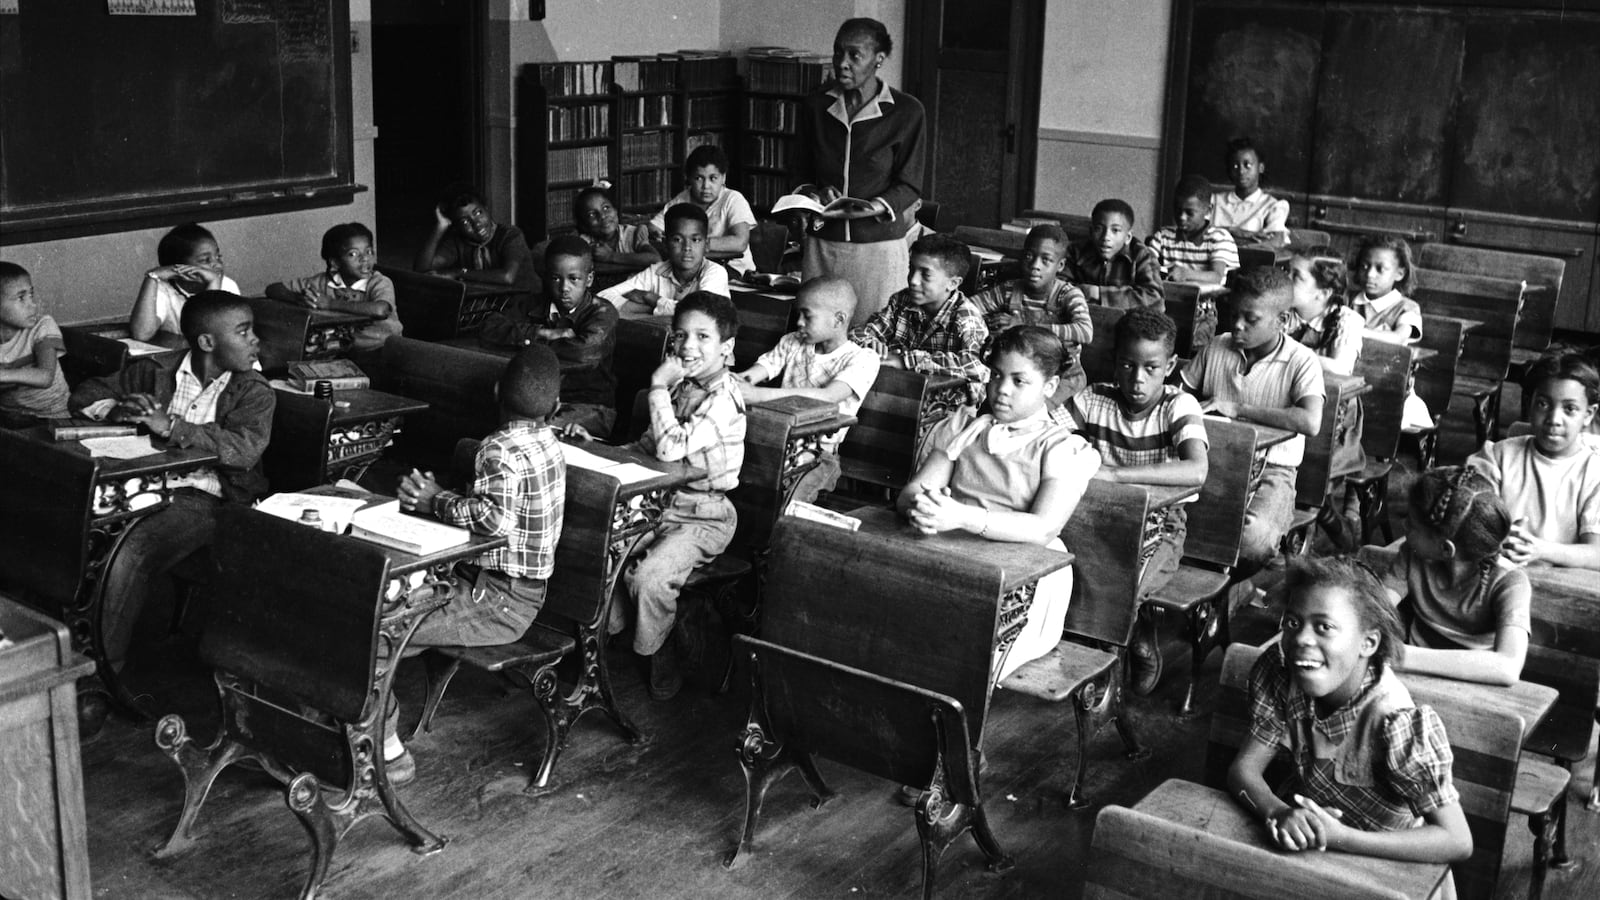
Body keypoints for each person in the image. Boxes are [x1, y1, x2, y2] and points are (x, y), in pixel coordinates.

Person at [68, 292, 274, 736]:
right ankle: (62, 662)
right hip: (141, 488)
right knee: (75, 533)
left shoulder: (253, 391)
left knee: (132, 550)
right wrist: (117, 408)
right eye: (244, 331)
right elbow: (86, 394)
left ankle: (100, 677)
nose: (256, 340)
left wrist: (171, 427)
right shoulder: (156, 369)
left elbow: (243, 451)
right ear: (205, 342)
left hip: (210, 502)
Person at [390, 345, 567, 782]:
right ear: (557, 408)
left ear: (495, 392)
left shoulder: (497, 448)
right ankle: (355, 711)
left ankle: (384, 745)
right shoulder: (549, 441)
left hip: (500, 601)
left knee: (383, 631)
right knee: (392, 633)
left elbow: (494, 521)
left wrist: (436, 499)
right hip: (506, 590)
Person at [1228, 557, 1473, 870]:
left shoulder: (1396, 721)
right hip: (1316, 858)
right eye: (1292, 623)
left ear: (1368, 642)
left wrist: (1340, 837)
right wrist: (1277, 812)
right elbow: (1243, 770)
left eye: (1324, 627)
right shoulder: (1280, 676)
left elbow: (1457, 840)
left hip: (1390, 869)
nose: (1301, 638)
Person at [898, 325, 1099, 683]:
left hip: (1023, 569)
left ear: (1049, 388)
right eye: (996, 376)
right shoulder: (965, 427)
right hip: (953, 547)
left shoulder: (1061, 447)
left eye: (1020, 381)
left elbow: (1043, 527)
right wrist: (924, 506)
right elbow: (913, 491)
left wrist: (960, 515)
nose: (1001, 390)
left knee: (951, 660)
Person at [607, 292, 745, 701]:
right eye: (681, 335)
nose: (688, 347)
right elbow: (650, 444)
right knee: (605, 552)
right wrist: (601, 449)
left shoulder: (724, 399)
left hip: (706, 516)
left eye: (703, 337)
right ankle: (606, 638)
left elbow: (670, 449)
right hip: (660, 506)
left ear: (728, 349)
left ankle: (658, 649)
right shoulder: (684, 387)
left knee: (649, 577)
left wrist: (656, 386)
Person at [1068, 307, 1210, 694]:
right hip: (1096, 519)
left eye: (1150, 367)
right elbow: (1048, 437)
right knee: (1071, 577)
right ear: (1115, 363)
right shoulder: (1093, 398)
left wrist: (1115, 474)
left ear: (1170, 366)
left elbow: (1196, 470)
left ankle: (1107, 678)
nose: (1137, 378)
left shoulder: (1177, 407)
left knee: (1121, 590)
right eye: (1128, 365)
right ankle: (1114, 648)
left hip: (1161, 526)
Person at [1184, 266, 1324, 567]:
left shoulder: (1302, 361)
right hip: (1212, 461)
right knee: (1183, 525)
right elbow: (1180, 393)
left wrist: (1239, 410)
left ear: (1283, 320)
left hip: (1273, 470)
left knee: (1253, 539)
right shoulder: (1217, 346)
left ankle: (1232, 589)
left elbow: (1310, 421)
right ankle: (1224, 591)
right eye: (1234, 314)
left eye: (1251, 319)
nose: (1237, 325)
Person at [792, 17, 926, 326]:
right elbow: (798, 172)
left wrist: (871, 208)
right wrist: (814, 193)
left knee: (873, 336)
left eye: (854, 55)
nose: (842, 63)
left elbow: (910, 184)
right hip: (821, 240)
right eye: (838, 53)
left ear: (879, 59)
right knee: (816, 333)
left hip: (878, 247)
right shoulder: (815, 105)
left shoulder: (907, 111)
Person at [1358, 467, 1529, 686]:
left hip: (1477, 684)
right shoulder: (1412, 554)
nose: (1404, 527)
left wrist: (1400, 655)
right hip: (1415, 677)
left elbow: (1508, 667)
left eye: (1412, 524)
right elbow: (1378, 608)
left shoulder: (1510, 583)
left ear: (1446, 550)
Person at [734, 277, 880, 504]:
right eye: (797, 315)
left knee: (785, 502)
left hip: (819, 456)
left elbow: (829, 397)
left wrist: (760, 395)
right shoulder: (793, 342)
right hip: (774, 442)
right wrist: (738, 381)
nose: (799, 322)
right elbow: (760, 370)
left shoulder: (863, 358)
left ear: (838, 319)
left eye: (807, 315)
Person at [1468, 353, 1600, 570]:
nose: (1554, 419)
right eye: (1543, 404)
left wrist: (1540, 549)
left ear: (1588, 414)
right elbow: (1471, 519)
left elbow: (1596, 554)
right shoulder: (1498, 456)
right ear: (1530, 405)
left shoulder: (1594, 472)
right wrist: (1498, 535)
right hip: (1497, 574)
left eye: (1569, 409)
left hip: (1563, 584)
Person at [479, 237, 620, 439]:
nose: (564, 288)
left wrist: (528, 345)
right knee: (488, 418)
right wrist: (542, 333)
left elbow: (582, 351)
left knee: (528, 432)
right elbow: (488, 326)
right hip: (536, 402)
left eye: (574, 279)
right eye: (556, 278)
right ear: (546, 277)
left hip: (589, 406)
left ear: (588, 279)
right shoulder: (533, 303)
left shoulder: (603, 313)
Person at [850, 233, 988, 401]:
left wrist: (907, 361)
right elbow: (858, 334)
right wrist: (870, 343)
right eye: (911, 269)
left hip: (949, 407)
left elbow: (978, 366)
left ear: (953, 283)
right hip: (900, 395)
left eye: (926, 275)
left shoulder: (967, 319)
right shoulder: (901, 301)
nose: (913, 280)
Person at [972, 224, 1092, 403]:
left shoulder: (1067, 294)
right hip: (1019, 377)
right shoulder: (1009, 290)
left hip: (1062, 378)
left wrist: (1024, 325)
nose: (1035, 265)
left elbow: (1085, 332)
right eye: (1029, 256)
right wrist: (988, 324)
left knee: (1033, 412)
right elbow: (969, 307)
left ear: (1060, 265)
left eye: (1046, 260)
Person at [264, 222, 402, 355]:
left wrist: (330, 304)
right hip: (344, 351)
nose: (365, 258)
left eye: (369, 251)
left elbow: (381, 310)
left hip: (384, 350)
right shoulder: (323, 281)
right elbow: (273, 289)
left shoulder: (379, 282)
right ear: (335, 263)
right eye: (353, 254)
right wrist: (298, 298)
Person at [598, 203, 729, 318]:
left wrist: (651, 298)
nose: (687, 248)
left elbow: (700, 312)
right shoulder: (656, 271)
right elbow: (602, 297)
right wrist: (653, 310)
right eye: (677, 239)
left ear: (706, 245)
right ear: (666, 244)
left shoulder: (715, 273)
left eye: (695, 240)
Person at [648, 145, 757, 275]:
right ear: (689, 178)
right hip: (695, 266)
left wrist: (697, 244)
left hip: (734, 270)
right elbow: (654, 226)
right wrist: (657, 233)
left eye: (713, 178)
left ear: (723, 178)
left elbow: (740, 242)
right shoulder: (683, 198)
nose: (706, 186)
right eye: (699, 178)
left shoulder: (733, 199)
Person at [130, 222, 242, 343]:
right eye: (205, 260)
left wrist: (214, 283)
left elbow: (209, 335)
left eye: (218, 256)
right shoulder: (163, 289)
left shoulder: (227, 286)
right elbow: (142, 333)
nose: (218, 264)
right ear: (179, 267)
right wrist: (152, 277)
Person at [414, 185, 537, 293]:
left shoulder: (511, 235)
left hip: (524, 303)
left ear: (486, 208)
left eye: (478, 213)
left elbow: (507, 276)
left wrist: (459, 273)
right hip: (490, 304)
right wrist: (440, 227)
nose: (477, 224)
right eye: (465, 221)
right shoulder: (458, 242)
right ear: (456, 226)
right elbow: (421, 270)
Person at [0, 261, 70, 424]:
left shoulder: (42, 327)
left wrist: (3, 375)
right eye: (21, 298)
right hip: (8, 419)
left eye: (31, 295)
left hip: (53, 418)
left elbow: (45, 377)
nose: (33, 305)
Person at [1063, 198, 1163, 310]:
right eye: (1099, 229)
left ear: (1128, 237)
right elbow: (1059, 286)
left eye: (1115, 230)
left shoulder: (1142, 256)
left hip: (1126, 322)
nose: (1106, 237)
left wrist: (1098, 293)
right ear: (1091, 232)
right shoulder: (1075, 251)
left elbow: (1155, 297)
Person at [1148, 175, 1240, 285]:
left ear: (1208, 211)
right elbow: (1146, 262)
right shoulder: (1163, 236)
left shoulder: (1220, 238)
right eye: (1178, 210)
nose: (1182, 217)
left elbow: (1217, 276)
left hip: (1210, 299)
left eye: (1189, 213)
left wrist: (1186, 274)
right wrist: (1152, 265)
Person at [1286, 246, 1363, 376]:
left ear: (1323, 293)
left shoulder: (1346, 320)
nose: (1285, 279)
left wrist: (1285, 354)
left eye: (1296, 276)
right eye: (1287, 271)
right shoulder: (1280, 311)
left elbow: (1341, 368)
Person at [1210, 137, 1291, 246]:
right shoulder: (1214, 201)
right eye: (1235, 166)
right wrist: (1233, 231)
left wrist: (1221, 235)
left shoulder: (1272, 206)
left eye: (1247, 165)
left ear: (1260, 168)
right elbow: (1196, 233)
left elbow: (1275, 241)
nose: (1241, 171)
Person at [572, 185, 659, 269]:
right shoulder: (584, 241)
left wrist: (610, 256)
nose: (602, 216)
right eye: (592, 214)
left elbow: (656, 260)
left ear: (616, 210)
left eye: (606, 208)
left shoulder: (633, 234)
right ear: (584, 224)